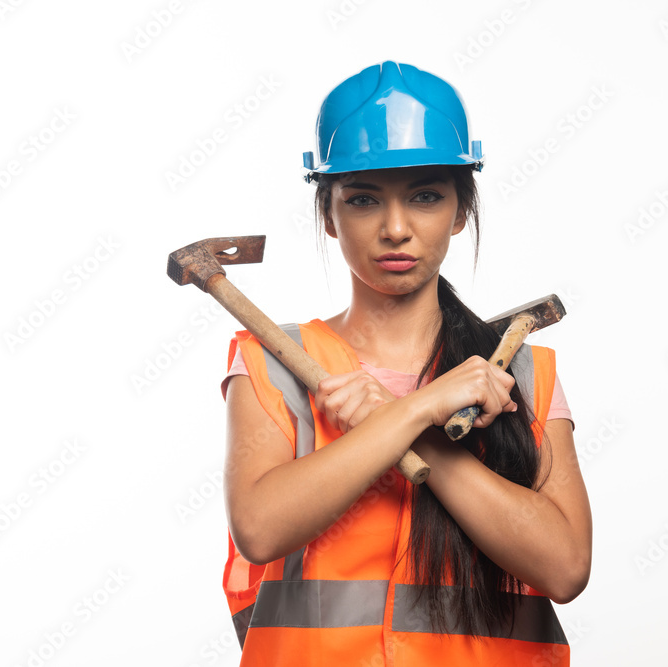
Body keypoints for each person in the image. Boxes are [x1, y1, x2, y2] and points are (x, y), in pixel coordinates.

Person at [219, 60, 591, 666]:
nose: (396, 229)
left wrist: (406, 425)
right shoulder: (276, 365)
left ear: (461, 210)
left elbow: (566, 568)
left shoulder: (518, 373)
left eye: (425, 196)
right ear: (328, 215)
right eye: (364, 200)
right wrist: (420, 408)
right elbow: (260, 530)